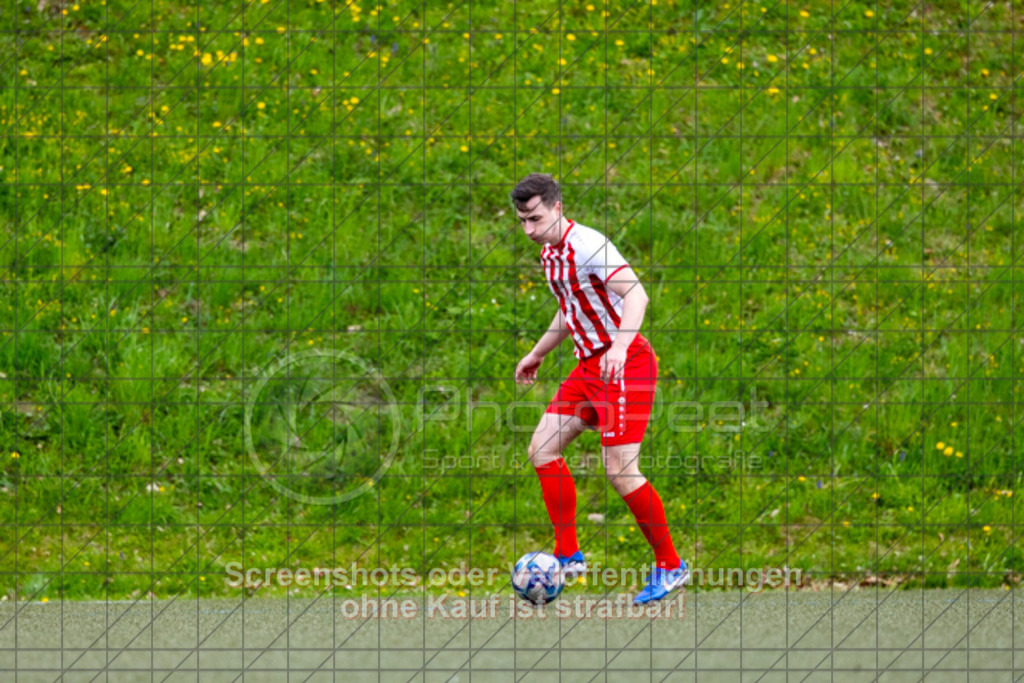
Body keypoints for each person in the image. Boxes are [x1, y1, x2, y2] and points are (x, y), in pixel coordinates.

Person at [511, 173, 689, 604]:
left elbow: (637, 295)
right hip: (590, 367)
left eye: (536, 218)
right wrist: (537, 353)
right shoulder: (550, 253)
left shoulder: (589, 244)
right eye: (522, 222)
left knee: (620, 471)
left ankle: (671, 566)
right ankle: (568, 555)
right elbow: (570, 307)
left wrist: (620, 346)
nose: (529, 230)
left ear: (557, 207)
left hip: (625, 365)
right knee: (542, 449)